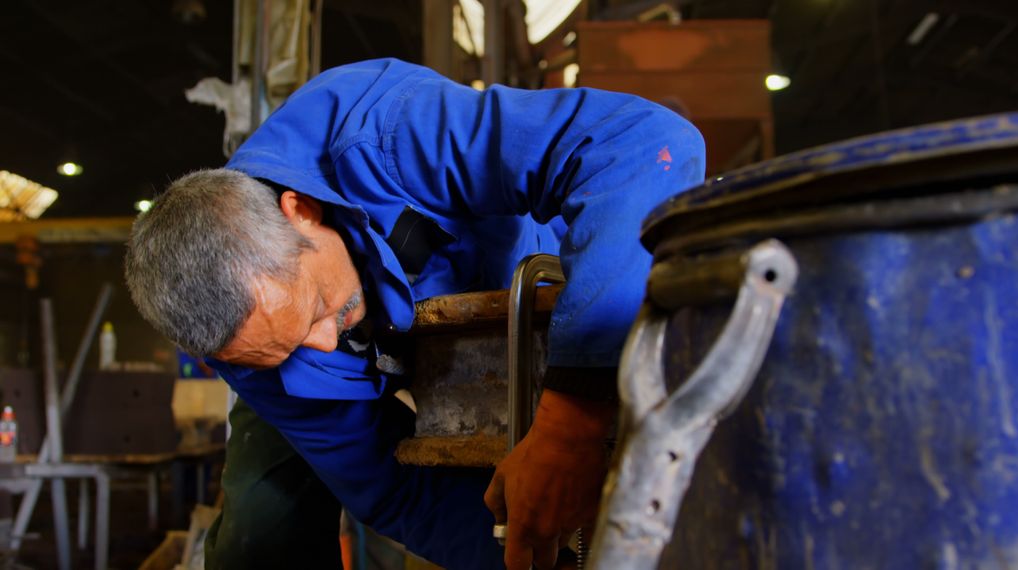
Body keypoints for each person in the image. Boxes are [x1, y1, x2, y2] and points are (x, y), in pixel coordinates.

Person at [125, 58, 704, 569]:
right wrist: (527, 551)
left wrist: (569, 425)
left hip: (521, 305)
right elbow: (392, 487)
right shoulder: (250, 346)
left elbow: (642, 143)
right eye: (283, 350)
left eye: (315, 312)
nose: (323, 345)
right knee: (261, 538)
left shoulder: (385, 131)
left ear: (299, 211)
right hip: (391, 358)